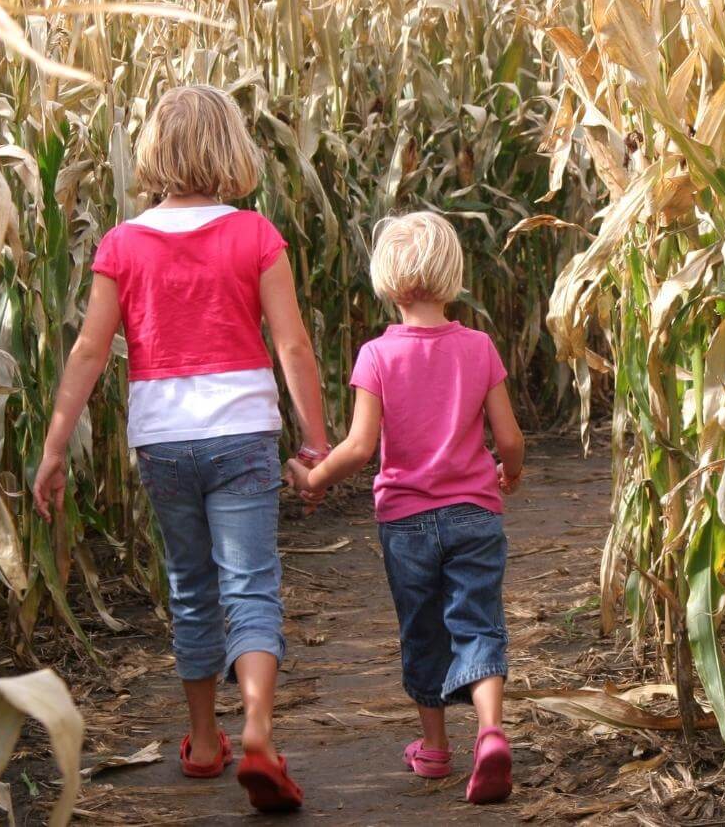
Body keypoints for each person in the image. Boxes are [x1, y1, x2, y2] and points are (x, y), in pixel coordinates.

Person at [33, 85, 327, 813]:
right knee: (250, 583)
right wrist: (318, 439)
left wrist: (54, 447)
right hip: (242, 432)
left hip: (164, 439)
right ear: (232, 148)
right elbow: (290, 343)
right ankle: (257, 728)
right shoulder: (255, 234)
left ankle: (201, 741)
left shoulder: (123, 243)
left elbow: (89, 352)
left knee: (191, 588)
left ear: (155, 152)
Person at [285, 211, 524, 804]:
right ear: (452, 277)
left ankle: (436, 750)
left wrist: (315, 477)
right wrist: (509, 472)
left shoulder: (376, 356)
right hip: (475, 512)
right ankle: (490, 733)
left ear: (386, 281)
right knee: (478, 622)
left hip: (406, 522)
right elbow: (510, 438)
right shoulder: (479, 347)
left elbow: (361, 448)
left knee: (422, 631)